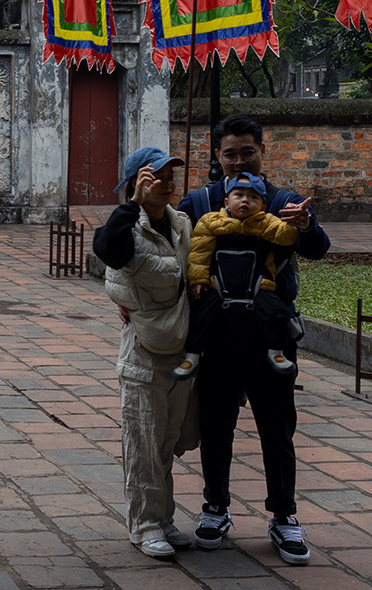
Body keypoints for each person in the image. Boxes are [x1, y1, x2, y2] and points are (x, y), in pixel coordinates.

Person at [177, 113, 330, 565]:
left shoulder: (284, 201)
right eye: (230, 154)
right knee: (216, 428)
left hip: (271, 337)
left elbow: (317, 249)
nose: (239, 161)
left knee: (277, 430)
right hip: (217, 338)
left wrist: (304, 226)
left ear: (262, 152)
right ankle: (215, 508)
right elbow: (162, 246)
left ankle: (284, 516)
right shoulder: (199, 202)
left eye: (248, 152)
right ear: (217, 156)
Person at [92, 147, 199, 561]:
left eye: (172, 176)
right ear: (138, 181)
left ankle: (164, 517)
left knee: (167, 441)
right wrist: (133, 202)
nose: (168, 183)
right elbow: (110, 250)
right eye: (158, 176)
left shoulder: (181, 223)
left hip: (181, 348)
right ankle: (144, 524)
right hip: (143, 352)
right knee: (142, 441)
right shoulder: (129, 226)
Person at [174, 173, 299, 381]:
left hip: (259, 285)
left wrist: (297, 224)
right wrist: (198, 280)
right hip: (219, 285)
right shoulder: (211, 221)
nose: (245, 200)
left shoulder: (267, 223)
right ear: (226, 202)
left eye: (253, 197)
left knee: (275, 312)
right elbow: (199, 252)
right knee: (202, 315)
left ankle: (276, 351)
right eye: (238, 195)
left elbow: (285, 237)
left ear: (263, 206)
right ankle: (192, 355)